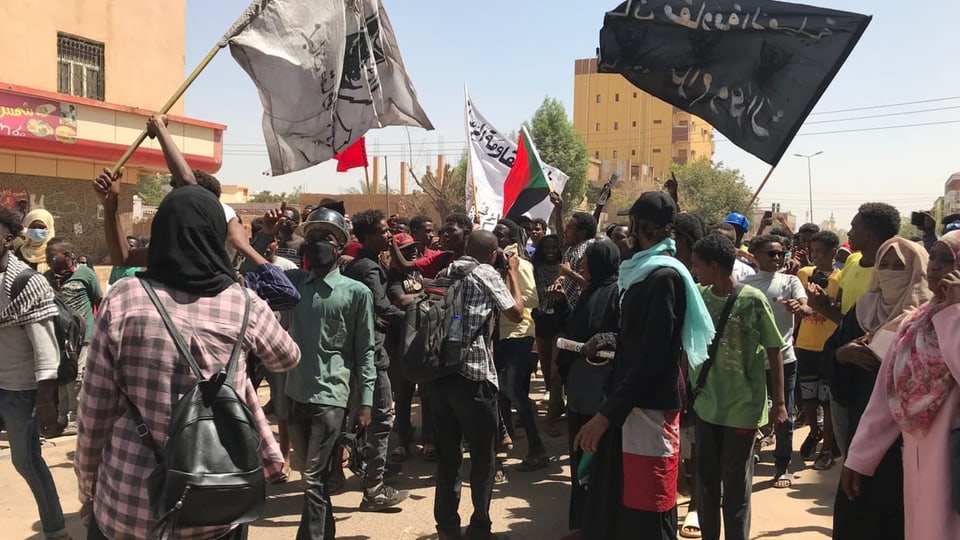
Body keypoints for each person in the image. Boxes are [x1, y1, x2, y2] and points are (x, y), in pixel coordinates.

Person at [75, 186, 301, 539]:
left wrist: (88, 483)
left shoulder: (125, 297)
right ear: (218, 237)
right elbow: (287, 357)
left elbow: (94, 411)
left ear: (161, 233)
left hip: (129, 502)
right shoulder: (243, 303)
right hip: (218, 500)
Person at [575, 192, 715, 540]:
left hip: (648, 412)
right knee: (616, 505)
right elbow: (635, 343)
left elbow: (652, 358)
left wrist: (605, 415)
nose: (625, 231)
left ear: (638, 226)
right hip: (626, 405)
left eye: (630, 224)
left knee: (647, 508)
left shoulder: (664, 277)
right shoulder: (639, 273)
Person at [264, 206, 379, 538]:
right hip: (294, 392)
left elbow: (365, 351)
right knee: (315, 480)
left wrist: (366, 402)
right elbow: (252, 273)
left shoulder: (357, 293)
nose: (316, 244)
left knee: (312, 477)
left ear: (339, 247)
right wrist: (264, 236)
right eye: (311, 238)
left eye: (324, 239)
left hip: (332, 396)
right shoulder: (293, 283)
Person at [840, 231, 960, 539]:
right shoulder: (913, 323)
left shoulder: (950, 318)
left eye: (948, 260)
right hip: (918, 459)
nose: (934, 267)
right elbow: (885, 396)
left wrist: (955, 313)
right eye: (933, 257)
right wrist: (859, 458)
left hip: (952, 461)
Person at [831, 237, 931, 540]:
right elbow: (832, 350)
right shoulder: (863, 309)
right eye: (883, 265)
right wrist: (841, 354)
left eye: (898, 266)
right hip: (863, 426)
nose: (888, 272)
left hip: (912, 436)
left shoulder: (928, 318)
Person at [689, 234, 788, 540]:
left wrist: (780, 403)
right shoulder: (701, 298)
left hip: (742, 409)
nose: (695, 271)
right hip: (706, 405)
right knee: (705, 486)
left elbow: (774, 349)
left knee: (735, 489)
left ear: (715, 266)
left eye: (697, 265)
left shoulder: (752, 300)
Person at [431, 230, 524, 540]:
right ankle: (480, 529)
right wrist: (512, 274)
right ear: (493, 253)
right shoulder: (486, 272)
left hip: (439, 376)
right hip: (473, 376)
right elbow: (516, 311)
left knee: (448, 457)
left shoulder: (448, 270)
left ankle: (446, 528)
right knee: (484, 458)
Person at [807, 203, 901, 455]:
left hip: (882, 375)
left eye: (854, 226)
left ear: (870, 234)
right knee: (850, 450)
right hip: (845, 368)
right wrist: (821, 306)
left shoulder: (899, 273)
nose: (848, 231)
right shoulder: (852, 263)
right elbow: (845, 318)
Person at [0, 206, 70, 540]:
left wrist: (46, 402)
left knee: (27, 463)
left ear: (8, 239)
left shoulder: (26, 284)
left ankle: (56, 530)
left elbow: (46, 351)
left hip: (20, 391)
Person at [342, 209, 411, 511]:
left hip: (361, 348)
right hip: (371, 352)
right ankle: (374, 489)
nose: (388, 235)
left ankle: (372, 469)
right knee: (382, 417)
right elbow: (381, 306)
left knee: (364, 414)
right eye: (383, 231)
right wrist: (413, 318)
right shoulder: (368, 268)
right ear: (367, 236)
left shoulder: (361, 264)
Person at [558, 240, 620, 531]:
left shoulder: (619, 294)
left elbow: (624, 335)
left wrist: (605, 340)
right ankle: (581, 523)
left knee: (600, 457)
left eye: (588, 260)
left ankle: (600, 525)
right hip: (580, 389)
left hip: (602, 390)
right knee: (578, 450)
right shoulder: (589, 292)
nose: (582, 265)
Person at [742, 235, 810, 488]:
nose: (777, 258)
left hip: (785, 360)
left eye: (780, 253)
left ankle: (782, 467)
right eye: (770, 253)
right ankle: (748, 459)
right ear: (755, 255)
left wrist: (799, 307)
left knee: (785, 414)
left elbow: (807, 308)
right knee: (749, 414)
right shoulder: (745, 284)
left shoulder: (790, 281)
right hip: (753, 361)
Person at [492, 218, 546, 470]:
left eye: (501, 235)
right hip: (500, 335)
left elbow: (532, 298)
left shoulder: (520, 265)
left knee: (513, 391)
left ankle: (537, 447)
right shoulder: (495, 266)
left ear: (512, 239)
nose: (497, 239)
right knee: (502, 392)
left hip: (519, 331)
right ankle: (506, 439)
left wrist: (504, 299)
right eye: (495, 235)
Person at [43, 237, 103, 436]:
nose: (48, 259)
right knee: (62, 375)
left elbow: (99, 301)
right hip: (59, 336)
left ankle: (76, 418)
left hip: (83, 336)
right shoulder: (47, 278)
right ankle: (62, 417)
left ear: (67, 255)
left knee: (77, 376)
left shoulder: (85, 274)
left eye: (52, 255)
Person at [385, 232, 435, 462]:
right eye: (406, 249)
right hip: (398, 343)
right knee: (403, 395)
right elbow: (399, 300)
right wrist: (426, 295)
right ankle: (403, 441)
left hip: (423, 341)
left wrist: (417, 295)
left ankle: (429, 440)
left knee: (427, 395)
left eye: (414, 247)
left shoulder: (420, 271)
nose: (413, 251)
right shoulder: (392, 276)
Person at [795, 231, 842, 470]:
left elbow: (840, 309)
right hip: (805, 345)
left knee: (827, 400)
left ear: (834, 252)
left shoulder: (841, 279)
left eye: (822, 252)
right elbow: (800, 302)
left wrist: (825, 303)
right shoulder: (804, 274)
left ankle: (827, 449)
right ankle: (815, 431)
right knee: (809, 397)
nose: (816, 256)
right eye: (813, 252)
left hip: (830, 347)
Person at [532, 234, 565, 436]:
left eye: (554, 247)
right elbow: (535, 293)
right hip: (542, 320)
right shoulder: (536, 270)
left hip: (560, 322)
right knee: (545, 367)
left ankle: (552, 416)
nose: (550, 251)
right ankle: (557, 404)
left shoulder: (565, 269)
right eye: (546, 248)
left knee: (555, 371)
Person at [16, 208, 55, 273]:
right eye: (33, 227)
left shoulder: (56, 252)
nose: (37, 230)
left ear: (49, 228)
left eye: (41, 227)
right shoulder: (21, 252)